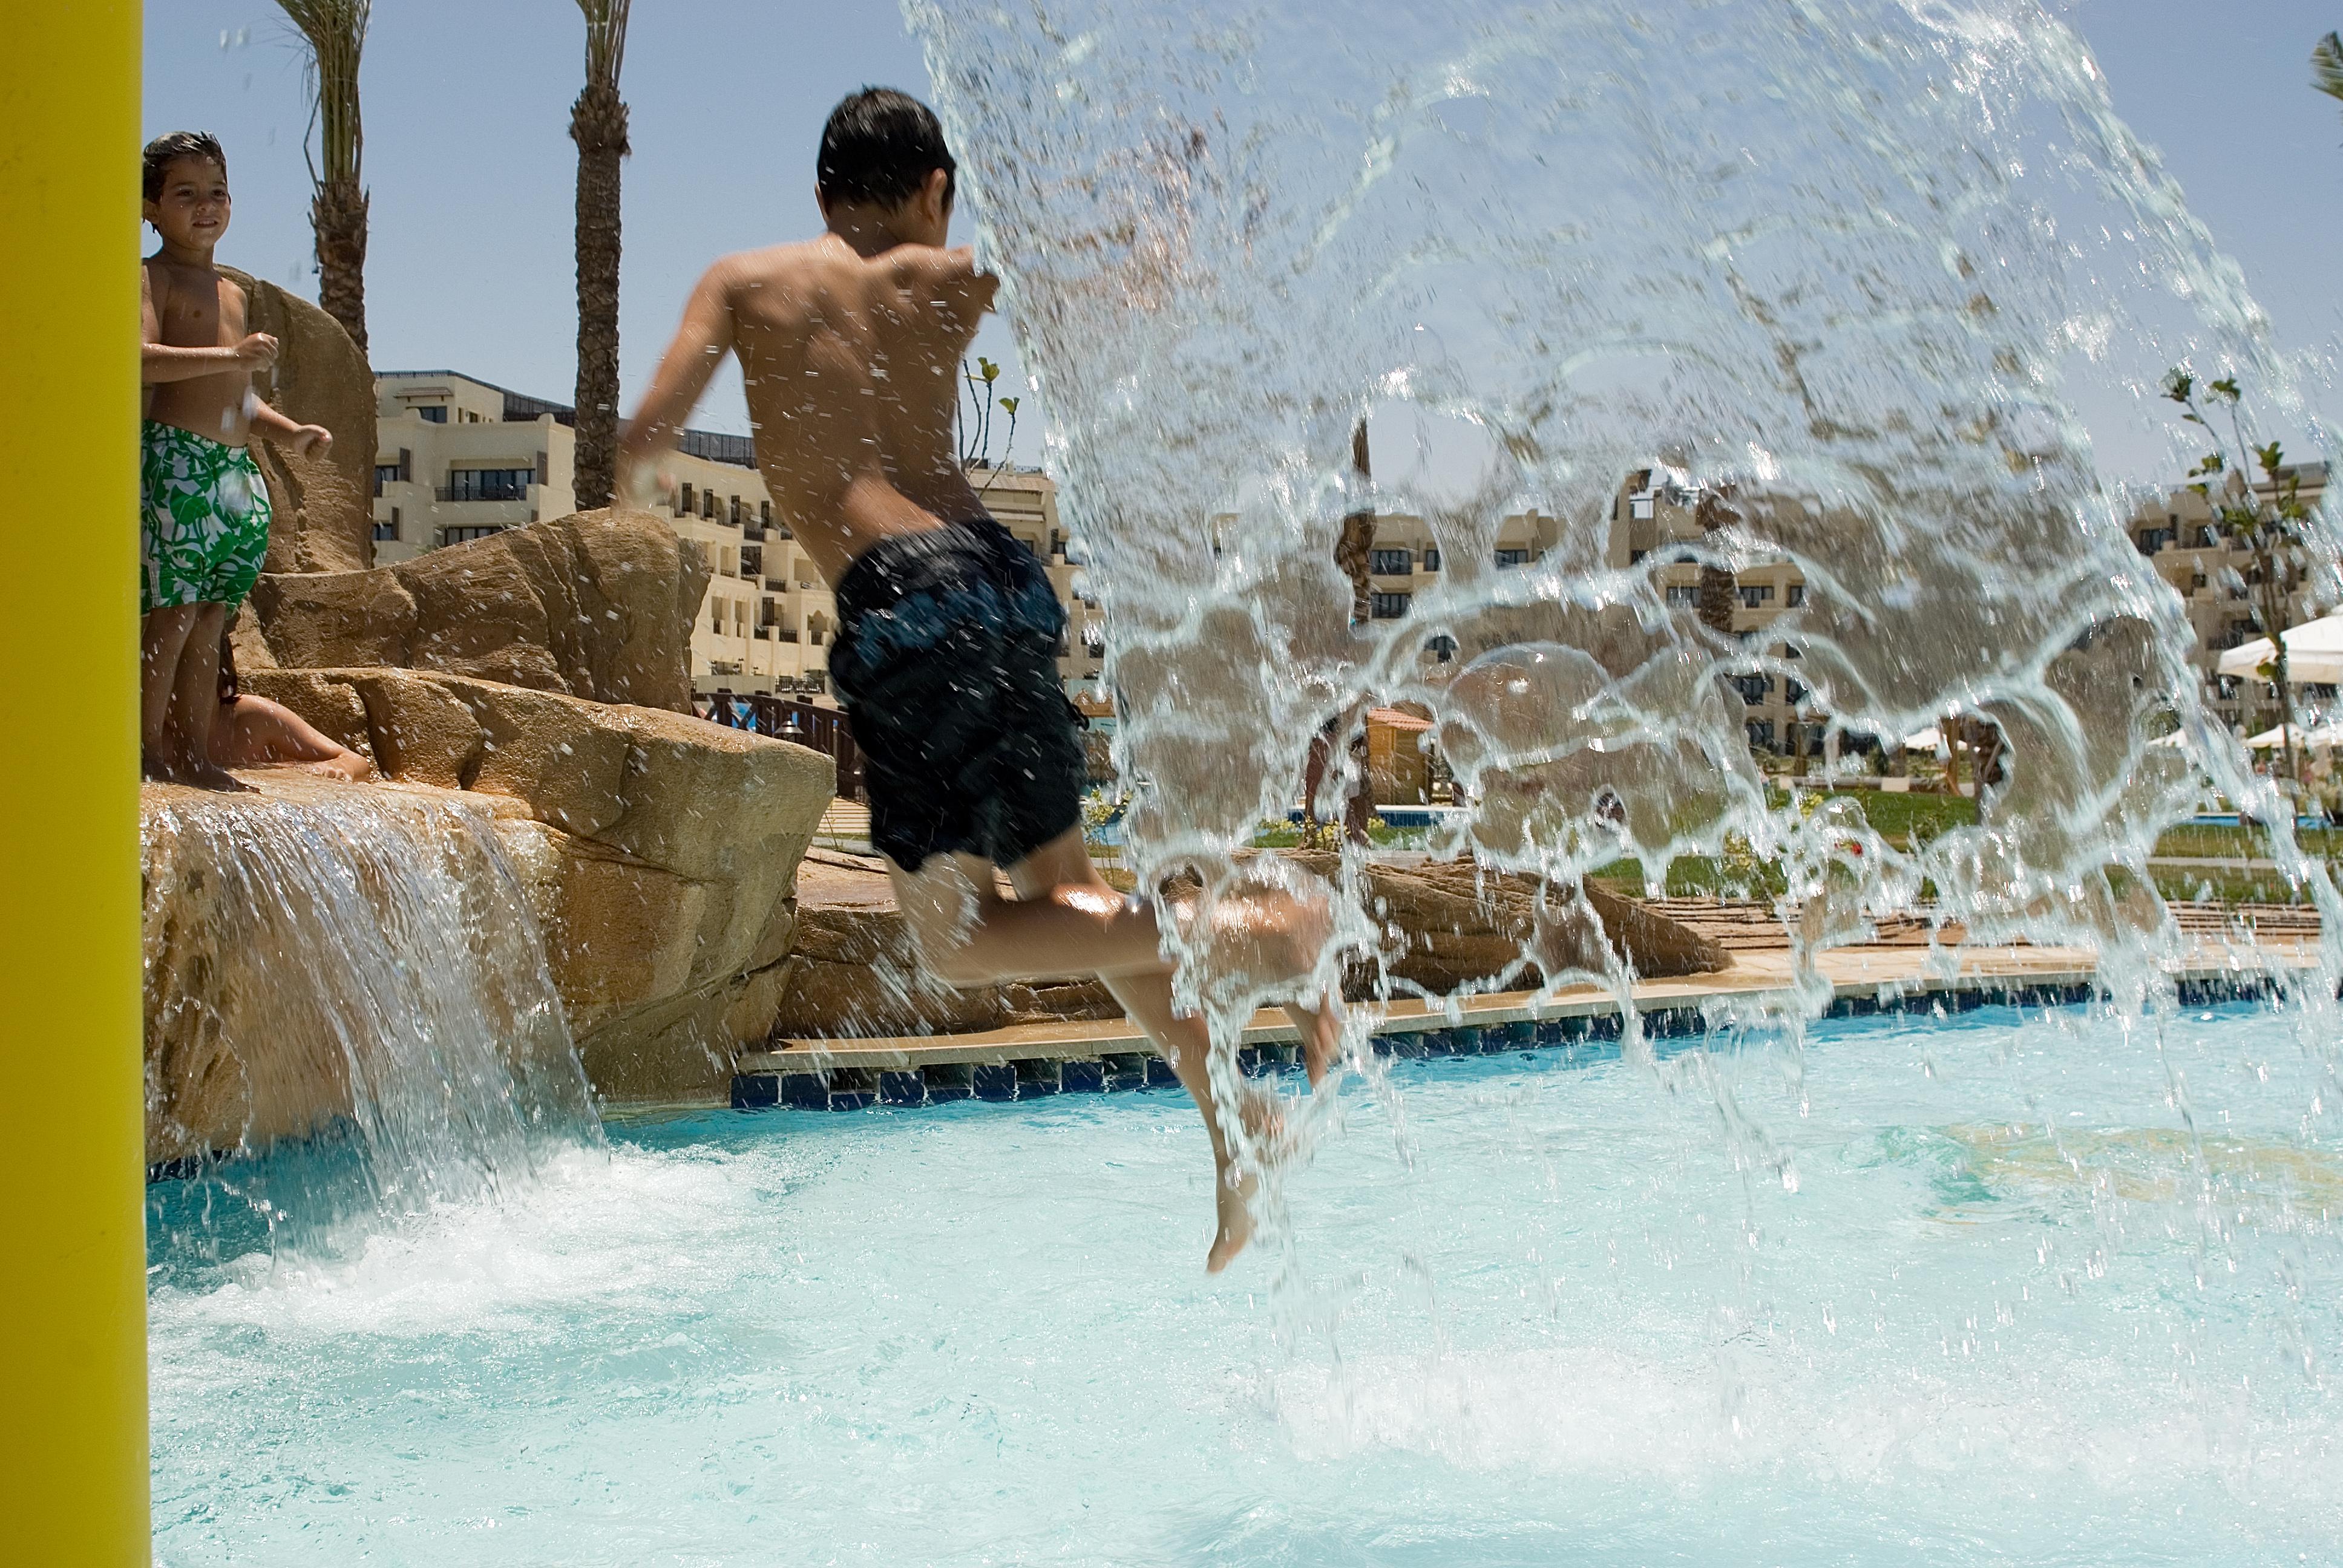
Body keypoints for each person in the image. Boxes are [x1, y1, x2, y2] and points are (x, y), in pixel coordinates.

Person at [619, 87, 1339, 1272]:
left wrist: (639, 511)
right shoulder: (947, 279)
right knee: (1068, 901)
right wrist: (1164, 208)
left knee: (957, 941)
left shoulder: (744, 283)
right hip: (1003, 578)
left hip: (905, 606)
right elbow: (1128, 285)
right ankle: (1235, 1126)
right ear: (933, 191)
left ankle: (1266, 928)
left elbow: (648, 435)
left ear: (819, 194)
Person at [138, 131, 332, 789]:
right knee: (173, 610)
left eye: (215, 192)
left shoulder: (231, 293)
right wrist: (231, 356)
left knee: (212, 615)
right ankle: (144, 749)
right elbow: (138, 360)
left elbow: (238, 400)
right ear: (149, 207)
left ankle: (195, 753)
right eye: (184, 193)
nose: (204, 206)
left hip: (231, 476)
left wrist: (291, 432)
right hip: (177, 465)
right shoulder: (151, 276)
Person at [209, 618, 373, 782]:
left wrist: (339, 768)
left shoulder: (254, 717)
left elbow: (356, 761)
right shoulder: (183, 735)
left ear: (225, 686)